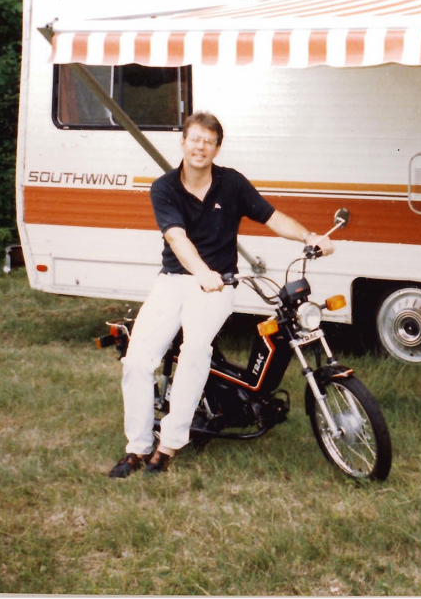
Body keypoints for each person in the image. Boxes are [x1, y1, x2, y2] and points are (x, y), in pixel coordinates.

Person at [109, 111, 334, 477]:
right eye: (194, 139)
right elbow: (176, 238)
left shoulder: (232, 184)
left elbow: (272, 217)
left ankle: (167, 446)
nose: (200, 147)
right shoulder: (164, 187)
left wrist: (310, 237)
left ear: (216, 148)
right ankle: (137, 447)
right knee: (136, 362)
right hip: (176, 279)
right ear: (182, 142)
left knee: (196, 350)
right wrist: (201, 272)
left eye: (208, 141)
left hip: (219, 285)